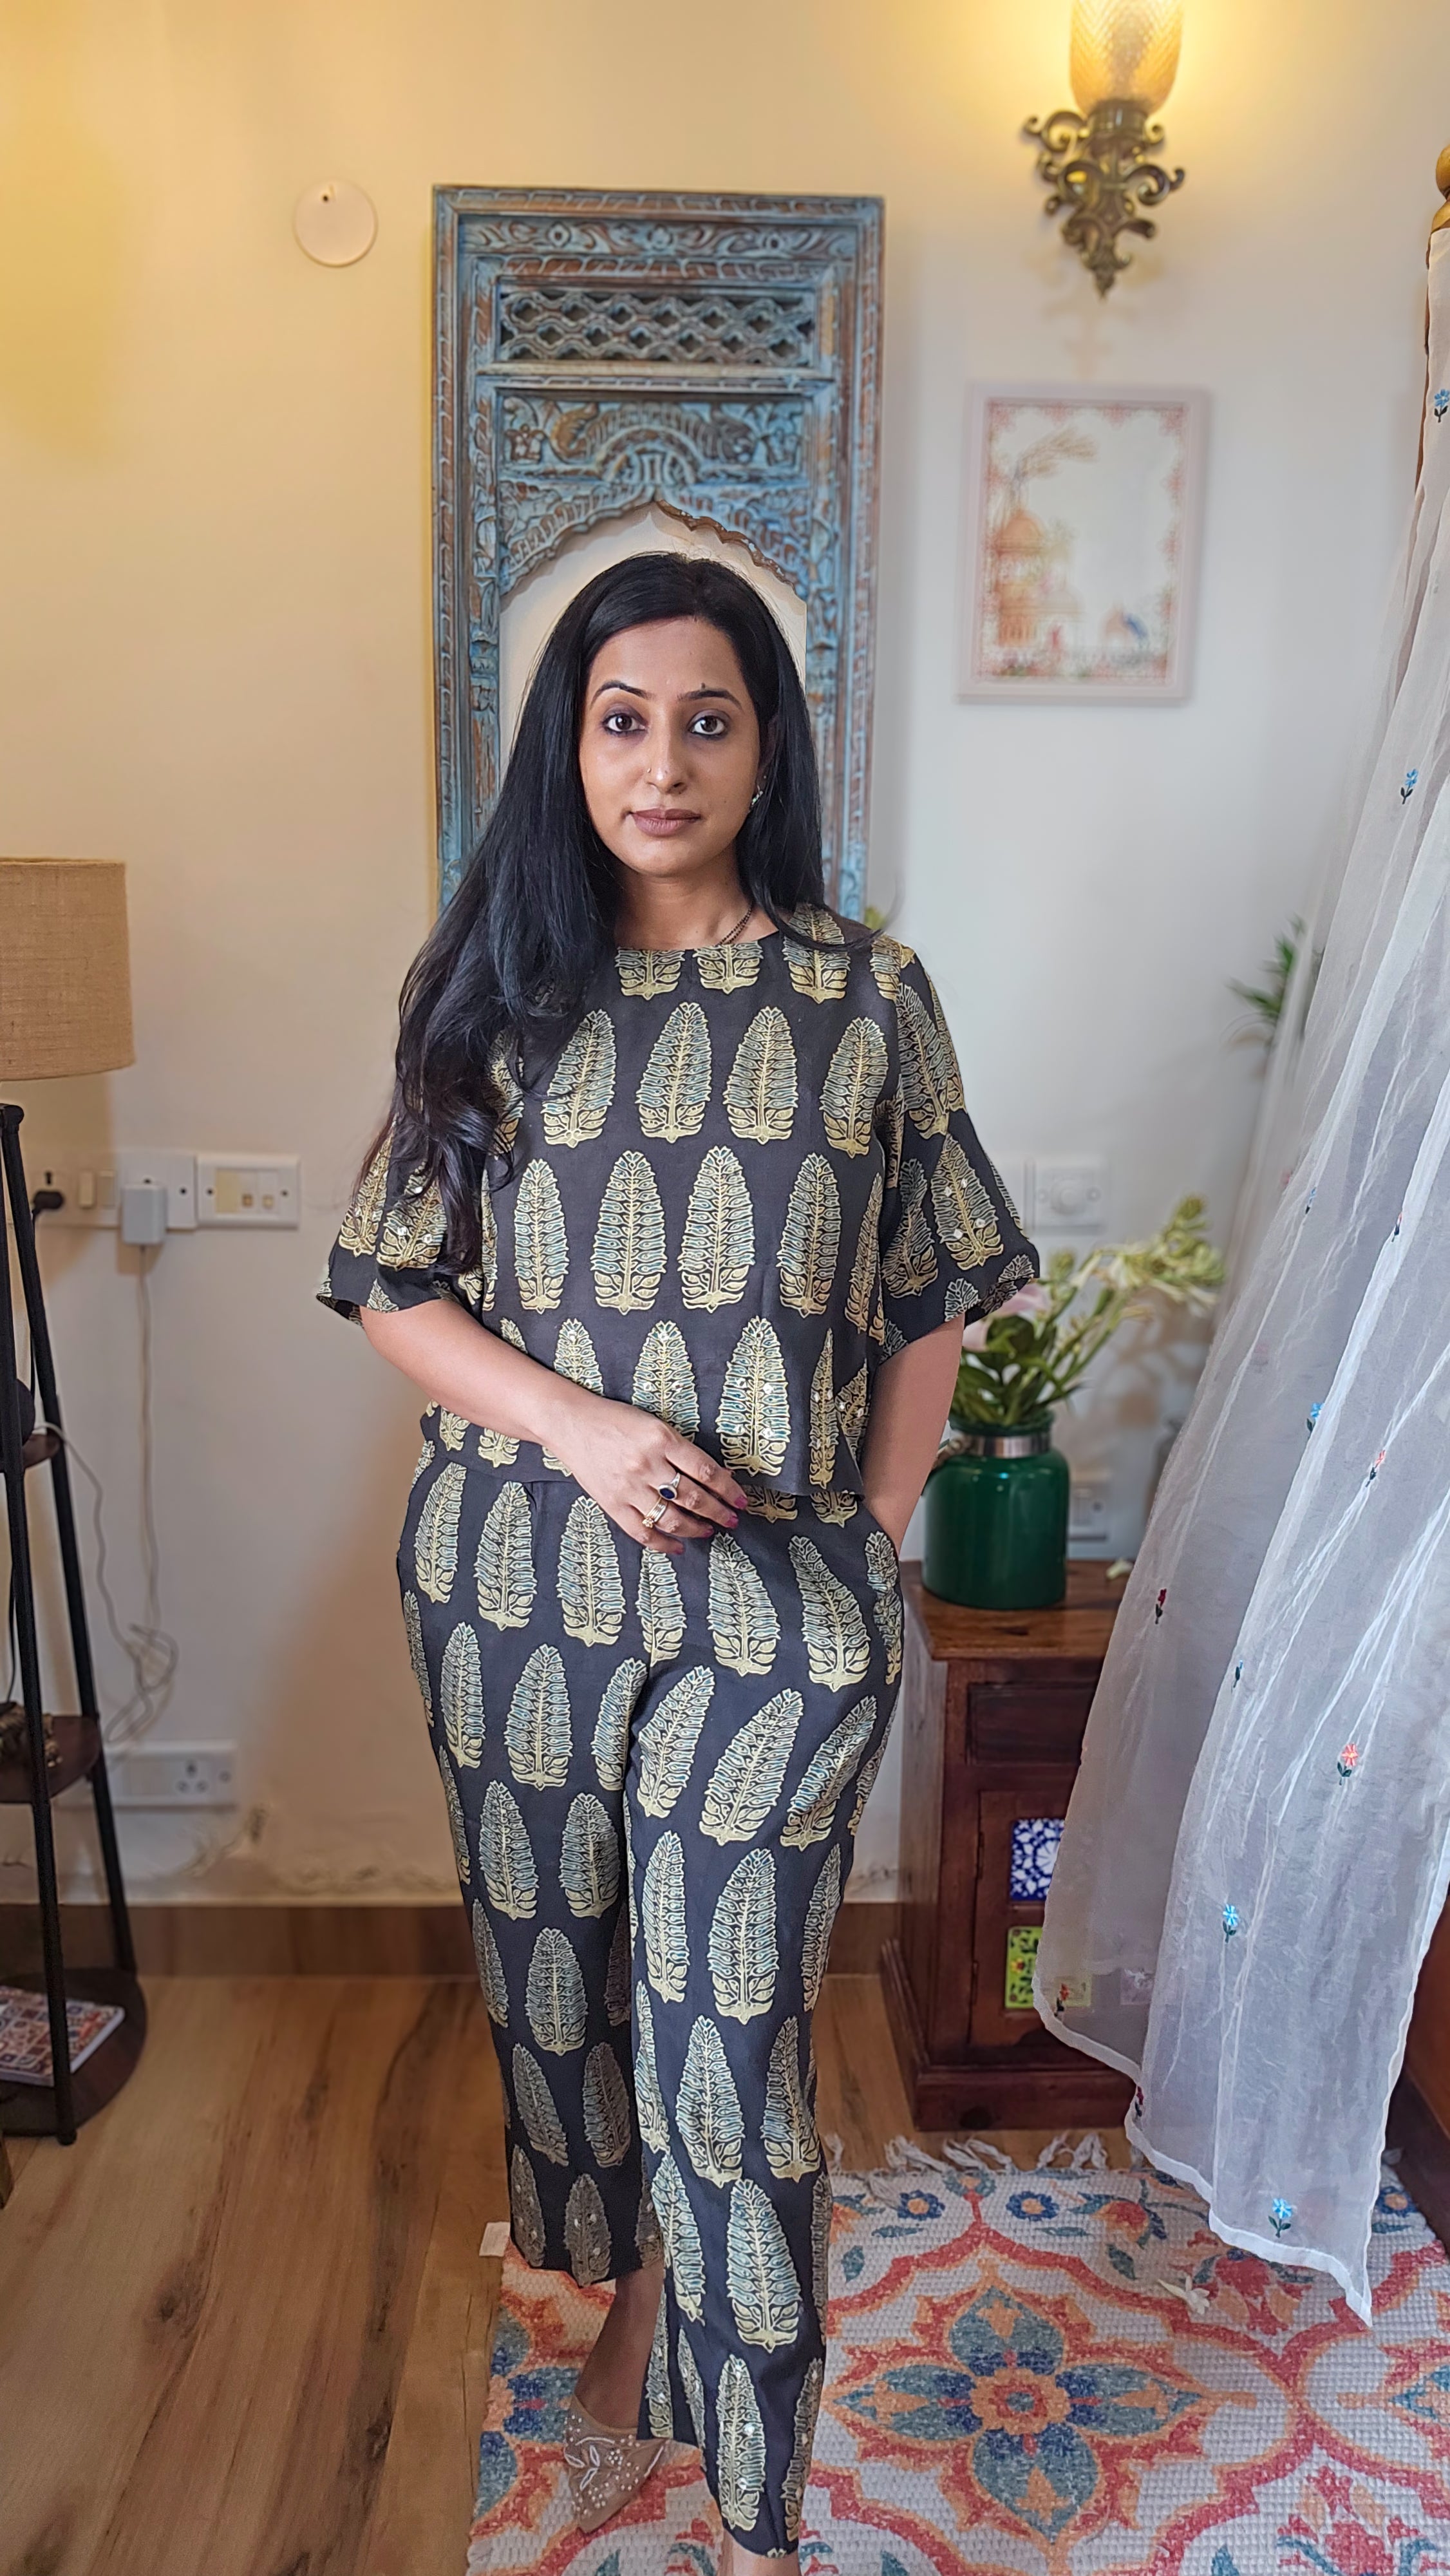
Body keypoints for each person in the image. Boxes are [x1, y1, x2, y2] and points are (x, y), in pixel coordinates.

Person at [319, 552, 1036, 2569]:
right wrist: (582, 1427)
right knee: (561, 1989)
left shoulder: (860, 994)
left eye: (705, 719)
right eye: (621, 718)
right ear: (569, 742)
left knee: (729, 2029)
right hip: (511, 1585)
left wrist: (874, 1534)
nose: (661, 760)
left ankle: (754, 2498)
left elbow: (932, 1291)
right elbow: (390, 1282)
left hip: (771, 1610)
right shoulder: (486, 992)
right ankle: (630, 2292)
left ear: (764, 746)